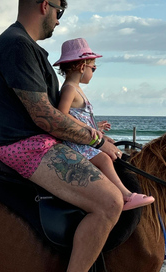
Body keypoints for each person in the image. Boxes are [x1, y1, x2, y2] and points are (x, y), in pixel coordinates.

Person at [0, 0, 126, 272]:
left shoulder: (25, 47)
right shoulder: (18, 46)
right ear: (43, 6)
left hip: (38, 142)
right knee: (110, 203)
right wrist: (96, 141)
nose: (59, 21)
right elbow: (45, 116)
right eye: (59, 12)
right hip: (26, 146)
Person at [55, 38, 154, 211]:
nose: (93, 72)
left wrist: (96, 128)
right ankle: (125, 195)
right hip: (75, 144)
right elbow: (62, 114)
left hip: (83, 139)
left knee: (113, 148)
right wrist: (86, 128)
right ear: (82, 66)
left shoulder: (76, 88)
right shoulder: (70, 88)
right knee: (104, 159)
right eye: (93, 68)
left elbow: (77, 115)